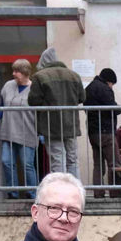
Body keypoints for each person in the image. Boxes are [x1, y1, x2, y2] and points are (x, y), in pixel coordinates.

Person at [27, 47, 85, 178]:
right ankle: (75, 190)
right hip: (71, 124)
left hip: (51, 125)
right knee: (73, 159)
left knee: (57, 159)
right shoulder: (74, 75)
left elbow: (33, 100)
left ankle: (60, 191)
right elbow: (82, 97)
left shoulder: (40, 76)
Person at [0, 59, 38, 199]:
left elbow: (40, 112)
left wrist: (42, 133)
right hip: (8, 131)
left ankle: (33, 194)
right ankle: (12, 193)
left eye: (17, 71)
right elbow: (2, 105)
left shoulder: (34, 89)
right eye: (13, 71)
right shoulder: (8, 86)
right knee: (6, 162)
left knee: (27, 165)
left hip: (27, 132)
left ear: (25, 73)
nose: (14, 74)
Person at [84, 67, 120, 196]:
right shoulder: (104, 89)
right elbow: (112, 108)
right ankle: (115, 194)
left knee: (98, 165)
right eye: (112, 84)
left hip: (93, 132)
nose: (112, 87)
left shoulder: (89, 87)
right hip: (106, 131)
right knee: (114, 163)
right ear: (109, 81)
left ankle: (98, 193)